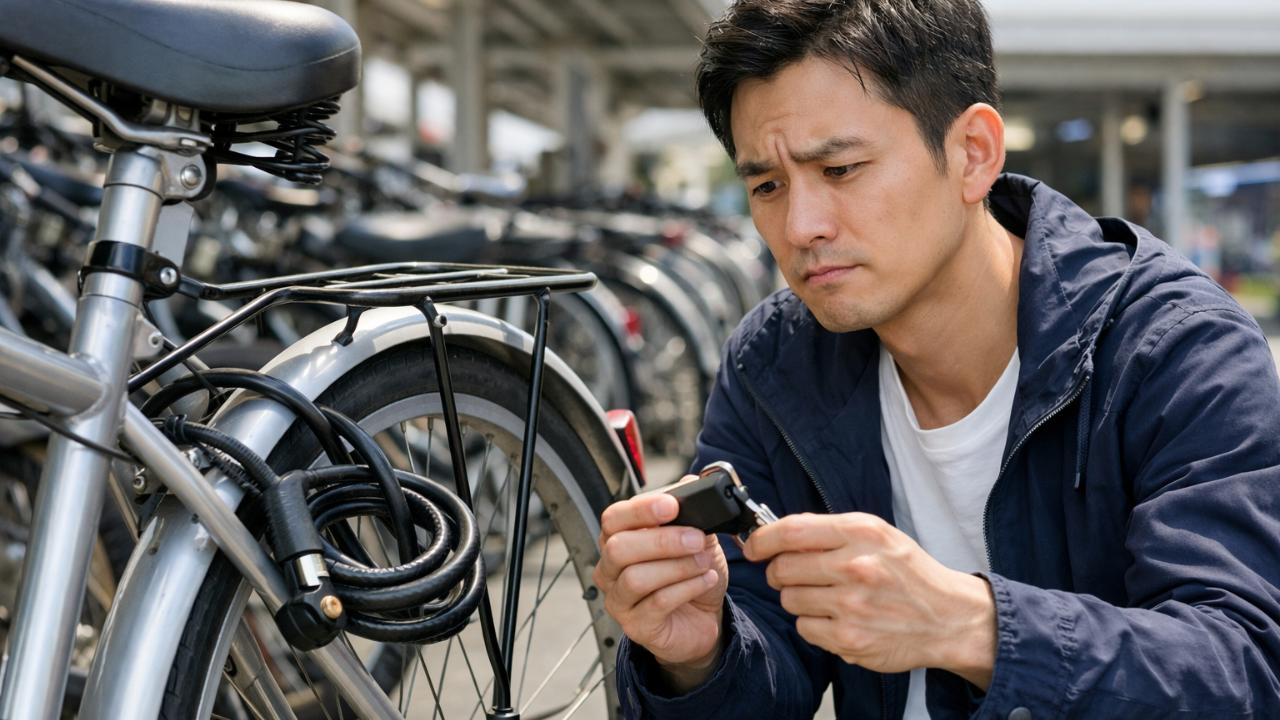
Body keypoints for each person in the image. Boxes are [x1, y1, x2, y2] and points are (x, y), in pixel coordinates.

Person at [589, 1, 1280, 718]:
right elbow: (767, 678)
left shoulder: (1175, 349)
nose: (800, 226)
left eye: (842, 167)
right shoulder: (777, 365)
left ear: (973, 153)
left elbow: (1245, 668)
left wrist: (970, 626)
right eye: (767, 185)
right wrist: (695, 656)